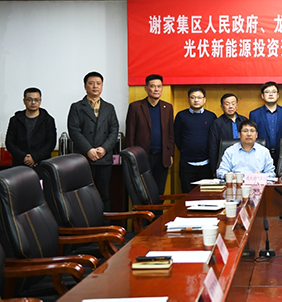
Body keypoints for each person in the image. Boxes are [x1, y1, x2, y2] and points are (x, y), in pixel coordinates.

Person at [68, 72, 119, 212]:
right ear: (85, 86)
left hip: (104, 158)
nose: (95, 86)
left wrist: (104, 148)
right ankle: (86, 224)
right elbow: (74, 131)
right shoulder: (76, 107)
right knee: (84, 196)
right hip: (84, 158)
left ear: (102, 86)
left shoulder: (109, 107)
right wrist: (88, 150)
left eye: (98, 83)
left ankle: (105, 223)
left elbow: (114, 130)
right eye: (91, 83)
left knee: (104, 195)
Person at [125, 74, 174, 196]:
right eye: (153, 86)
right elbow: (130, 134)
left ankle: (158, 210)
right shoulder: (136, 107)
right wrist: (131, 157)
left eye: (159, 86)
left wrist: (170, 154)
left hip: (162, 157)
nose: (156, 89)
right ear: (146, 89)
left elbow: (170, 133)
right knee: (143, 192)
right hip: (142, 156)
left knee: (159, 191)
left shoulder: (167, 107)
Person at [5, 87, 57, 176]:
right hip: (19, 164)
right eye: (29, 100)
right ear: (24, 101)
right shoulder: (15, 120)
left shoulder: (48, 120)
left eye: (36, 100)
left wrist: (34, 157)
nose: (33, 102)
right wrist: (24, 157)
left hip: (41, 164)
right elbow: (9, 142)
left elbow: (51, 143)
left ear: (40, 101)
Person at [174, 87, 217, 192]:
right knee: (187, 195)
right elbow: (177, 137)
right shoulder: (181, 116)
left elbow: (214, 139)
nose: (196, 100)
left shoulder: (211, 116)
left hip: (207, 164)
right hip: (187, 164)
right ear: (188, 99)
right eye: (193, 97)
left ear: (204, 99)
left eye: (199, 97)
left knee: (206, 195)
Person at [249, 81, 282, 167]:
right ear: (262, 96)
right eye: (267, 92)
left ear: (278, 95)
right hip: (260, 154)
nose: (270, 94)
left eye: (273, 92)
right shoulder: (254, 114)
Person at [208, 93, 248, 174]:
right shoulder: (217, 123)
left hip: (244, 160)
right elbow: (213, 147)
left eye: (233, 103)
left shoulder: (244, 120)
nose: (230, 106)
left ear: (237, 105)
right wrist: (214, 169)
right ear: (222, 106)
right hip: (225, 162)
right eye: (227, 104)